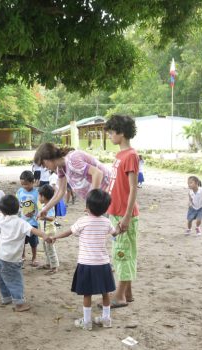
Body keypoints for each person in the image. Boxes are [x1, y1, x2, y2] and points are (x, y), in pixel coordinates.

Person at [52, 189, 119, 330]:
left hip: (86, 263)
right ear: (106, 208)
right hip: (103, 263)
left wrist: (55, 237)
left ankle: (87, 321)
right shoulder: (106, 222)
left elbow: (69, 232)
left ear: (87, 207)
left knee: (87, 293)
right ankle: (106, 319)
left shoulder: (82, 221)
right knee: (105, 292)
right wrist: (120, 228)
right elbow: (115, 233)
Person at [0, 195, 50, 312]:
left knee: (2, 280)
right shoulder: (21, 223)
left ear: (4, 211)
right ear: (18, 208)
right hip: (11, 260)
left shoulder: (2, 219)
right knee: (15, 281)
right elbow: (33, 230)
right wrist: (44, 235)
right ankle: (19, 304)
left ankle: (6, 298)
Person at [104, 115, 140, 307]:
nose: (110, 136)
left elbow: (133, 188)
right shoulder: (119, 155)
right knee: (121, 251)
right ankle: (128, 293)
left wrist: (126, 217)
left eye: (111, 132)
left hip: (124, 214)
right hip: (115, 211)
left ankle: (119, 296)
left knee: (123, 254)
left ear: (121, 132)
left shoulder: (131, 155)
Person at [34, 143, 111, 218]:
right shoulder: (61, 168)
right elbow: (60, 192)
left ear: (48, 157)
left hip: (107, 196)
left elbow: (97, 173)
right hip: (100, 202)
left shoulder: (72, 160)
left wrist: (92, 202)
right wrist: (46, 209)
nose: (45, 168)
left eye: (43, 164)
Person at [16, 170, 40, 266]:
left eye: (26, 184)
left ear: (32, 182)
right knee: (22, 240)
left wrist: (34, 213)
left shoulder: (37, 193)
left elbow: (40, 206)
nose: (24, 186)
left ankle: (34, 257)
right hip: (22, 221)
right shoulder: (20, 191)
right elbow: (17, 204)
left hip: (33, 221)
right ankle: (23, 256)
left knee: (33, 242)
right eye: (22, 184)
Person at [38, 184, 60, 274]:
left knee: (50, 249)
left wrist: (44, 218)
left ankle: (54, 266)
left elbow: (52, 218)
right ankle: (48, 263)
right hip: (45, 231)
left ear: (43, 197)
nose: (38, 197)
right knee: (46, 248)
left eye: (39, 195)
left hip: (50, 232)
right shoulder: (45, 205)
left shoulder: (49, 206)